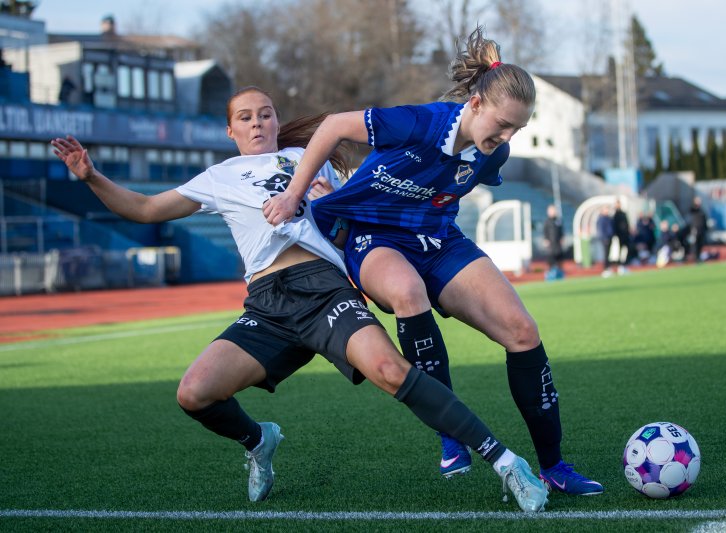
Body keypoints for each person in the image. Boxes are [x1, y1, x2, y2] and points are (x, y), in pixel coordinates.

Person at [50, 87, 548, 512]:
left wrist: (330, 198)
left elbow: (357, 218)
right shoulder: (218, 177)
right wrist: (91, 176)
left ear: (276, 121)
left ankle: (507, 464)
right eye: (246, 117)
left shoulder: (308, 159)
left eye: (265, 114)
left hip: (326, 291)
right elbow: (143, 209)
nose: (257, 123)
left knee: (393, 371)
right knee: (194, 393)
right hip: (267, 304)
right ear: (230, 130)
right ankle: (258, 440)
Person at [263, 28, 603, 496]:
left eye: (517, 130)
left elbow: (441, 189)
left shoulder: (494, 153)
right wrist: (294, 194)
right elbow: (334, 125)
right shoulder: (418, 122)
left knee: (523, 331)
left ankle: (554, 466)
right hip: (375, 237)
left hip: (440, 239)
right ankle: (450, 433)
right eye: (503, 124)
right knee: (407, 292)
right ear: (476, 104)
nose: (507, 137)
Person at [542, 204, 565, 280]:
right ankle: (550, 275)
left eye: (554, 210)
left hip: (558, 245)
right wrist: (546, 240)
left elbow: (561, 230)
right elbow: (545, 232)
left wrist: (562, 238)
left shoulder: (558, 220)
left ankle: (560, 275)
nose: (553, 212)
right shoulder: (547, 221)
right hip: (551, 245)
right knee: (551, 260)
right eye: (551, 210)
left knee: (559, 260)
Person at [611, 198, 630, 274]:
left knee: (626, 249)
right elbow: (615, 225)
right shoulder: (615, 214)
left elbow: (627, 224)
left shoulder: (623, 213)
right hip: (619, 235)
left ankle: (624, 264)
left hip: (625, 235)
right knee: (619, 250)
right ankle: (619, 266)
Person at [687, 196, 708, 263]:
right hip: (695, 229)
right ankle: (695, 258)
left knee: (700, 244)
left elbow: (704, 219)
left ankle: (699, 257)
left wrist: (706, 228)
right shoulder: (694, 209)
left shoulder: (702, 210)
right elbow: (691, 210)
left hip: (701, 229)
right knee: (695, 244)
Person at [596, 205, 614, 277]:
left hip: (609, 238)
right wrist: (604, 238)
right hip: (605, 239)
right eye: (606, 209)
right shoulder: (601, 219)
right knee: (606, 254)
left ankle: (608, 268)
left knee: (608, 253)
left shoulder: (609, 218)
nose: (607, 211)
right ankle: (605, 269)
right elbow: (601, 230)